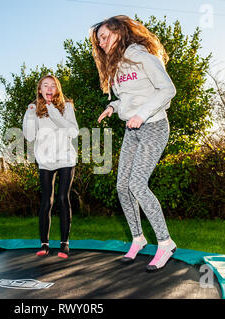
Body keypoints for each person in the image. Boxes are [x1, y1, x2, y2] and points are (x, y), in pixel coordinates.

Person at [90, 15, 177, 272]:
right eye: (99, 41)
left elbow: (166, 90)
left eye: (105, 37)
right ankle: (138, 238)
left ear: (120, 32)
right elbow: (129, 98)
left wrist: (142, 114)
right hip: (132, 129)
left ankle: (165, 242)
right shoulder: (116, 67)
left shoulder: (143, 57)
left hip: (154, 125)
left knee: (137, 184)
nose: (102, 43)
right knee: (122, 186)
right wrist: (113, 107)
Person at [22, 75, 79, 259]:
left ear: (57, 90)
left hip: (65, 158)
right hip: (46, 160)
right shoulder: (34, 110)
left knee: (63, 198)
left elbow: (73, 131)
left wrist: (54, 112)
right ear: (40, 89)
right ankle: (44, 244)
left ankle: (64, 244)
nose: (49, 88)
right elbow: (30, 136)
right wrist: (30, 114)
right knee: (46, 201)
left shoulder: (67, 107)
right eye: (45, 85)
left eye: (53, 86)